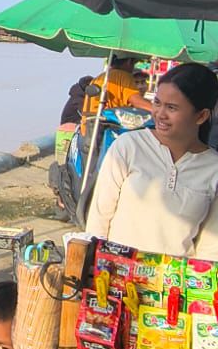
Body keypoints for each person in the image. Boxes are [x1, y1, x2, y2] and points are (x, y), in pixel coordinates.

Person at [86, 62, 218, 256]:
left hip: (174, 283)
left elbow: (210, 248)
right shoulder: (128, 146)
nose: (160, 114)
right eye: (157, 103)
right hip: (113, 277)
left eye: (171, 108)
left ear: (201, 116)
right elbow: (98, 221)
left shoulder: (213, 168)